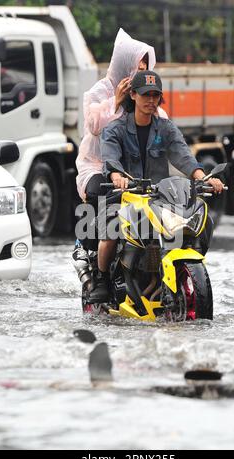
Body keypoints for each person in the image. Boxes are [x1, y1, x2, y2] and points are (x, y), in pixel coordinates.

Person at [89, 70, 225, 303]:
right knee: (110, 231)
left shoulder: (166, 128)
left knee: (203, 221)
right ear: (133, 95)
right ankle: (101, 278)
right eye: (146, 95)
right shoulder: (115, 129)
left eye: (156, 95)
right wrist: (117, 176)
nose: (151, 100)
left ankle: (180, 267)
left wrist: (203, 177)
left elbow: (184, 156)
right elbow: (111, 159)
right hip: (124, 196)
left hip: (159, 198)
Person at [72, 28, 165, 268]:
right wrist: (115, 100)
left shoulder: (142, 97)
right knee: (100, 192)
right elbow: (94, 126)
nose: (140, 75)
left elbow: (165, 130)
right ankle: (88, 248)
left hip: (133, 169)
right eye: (137, 69)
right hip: (97, 165)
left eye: (145, 70)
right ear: (125, 66)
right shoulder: (98, 92)